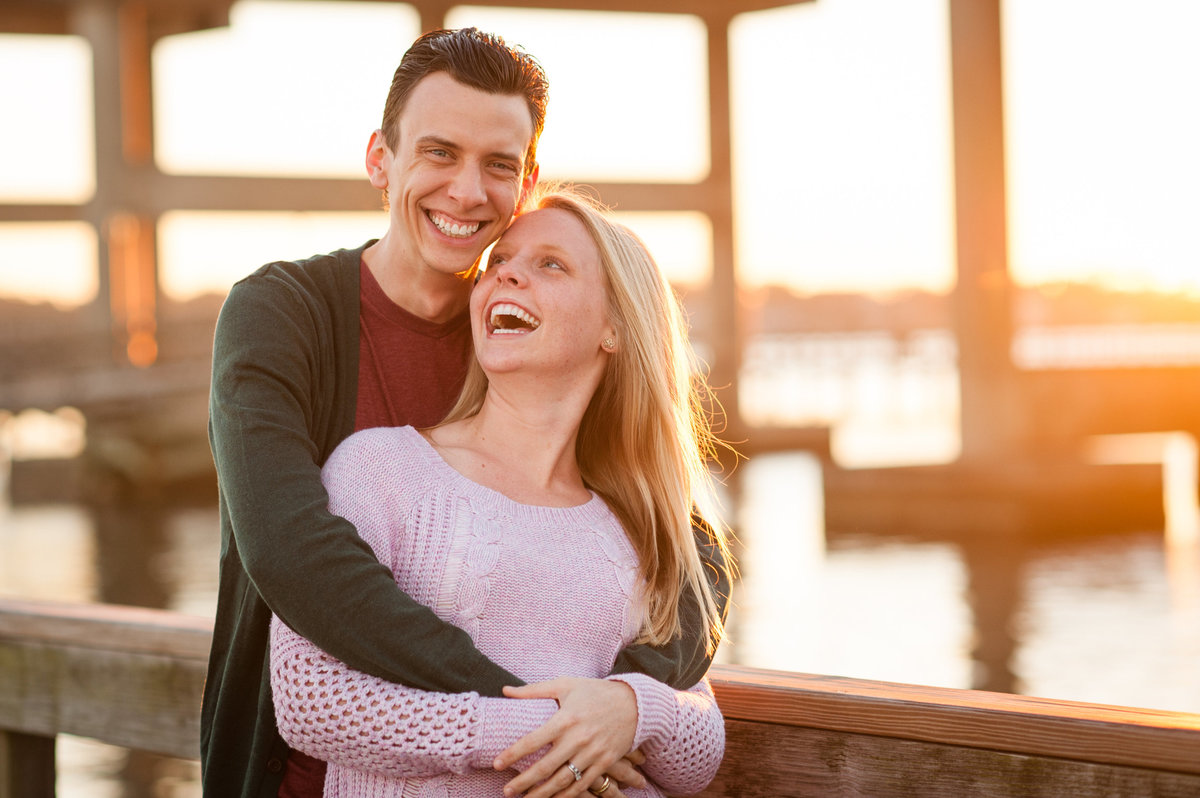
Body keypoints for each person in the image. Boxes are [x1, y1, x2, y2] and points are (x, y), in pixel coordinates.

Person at [201, 28, 730, 798]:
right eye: (439, 153)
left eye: (497, 166)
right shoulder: (281, 314)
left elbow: (693, 558)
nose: (467, 191)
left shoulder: (525, 340)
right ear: (381, 158)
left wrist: (621, 704)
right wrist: (535, 719)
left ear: (529, 180)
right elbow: (290, 551)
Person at [270, 187, 729, 798]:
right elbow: (310, 699)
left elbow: (697, 755)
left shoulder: (637, 525)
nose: (506, 274)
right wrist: (553, 731)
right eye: (498, 263)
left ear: (615, 327)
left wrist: (630, 709)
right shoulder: (383, 470)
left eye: (550, 264)